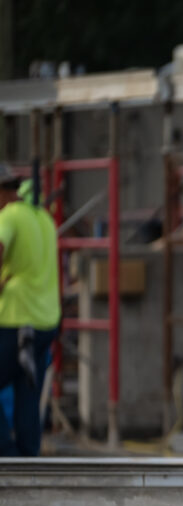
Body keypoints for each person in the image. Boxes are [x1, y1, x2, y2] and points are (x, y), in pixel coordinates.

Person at [0, 167, 60, 456]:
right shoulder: (44, 218)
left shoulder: (9, 216)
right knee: (27, 391)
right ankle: (27, 462)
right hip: (46, 321)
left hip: (16, 321)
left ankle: (6, 454)